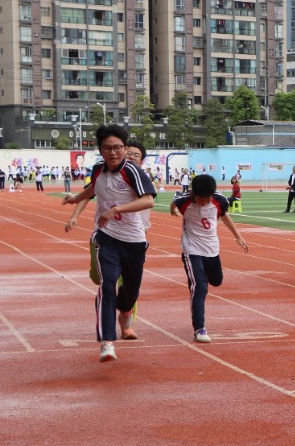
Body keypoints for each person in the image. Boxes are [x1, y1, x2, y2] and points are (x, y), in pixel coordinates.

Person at [63, 124, 156, 362]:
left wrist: (116, 209)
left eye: (117, 147)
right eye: (107, 148)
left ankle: (125, 312)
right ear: (100, 150)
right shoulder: (97, 170)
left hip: (134, 241)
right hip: (106, 237)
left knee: (130, 292)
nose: (113, 152)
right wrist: (75, 199)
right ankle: (107, 341)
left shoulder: (132, 171)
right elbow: (92, 189)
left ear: (124, 148)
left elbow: (148, 201)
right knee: (107, 285)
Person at [170, 173, 248, 343]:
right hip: (191, 250)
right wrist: (173, 211)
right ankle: (199, 329)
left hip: (212, 249)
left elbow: (224, 215)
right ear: (193, 194)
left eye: (208, 198)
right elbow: (173, 204)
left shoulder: (219, 200)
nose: (206, 202)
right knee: (200, 287)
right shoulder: (184, 201)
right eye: (202, 199)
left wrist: (238, 236)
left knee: (217, 281)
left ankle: (198, 278)